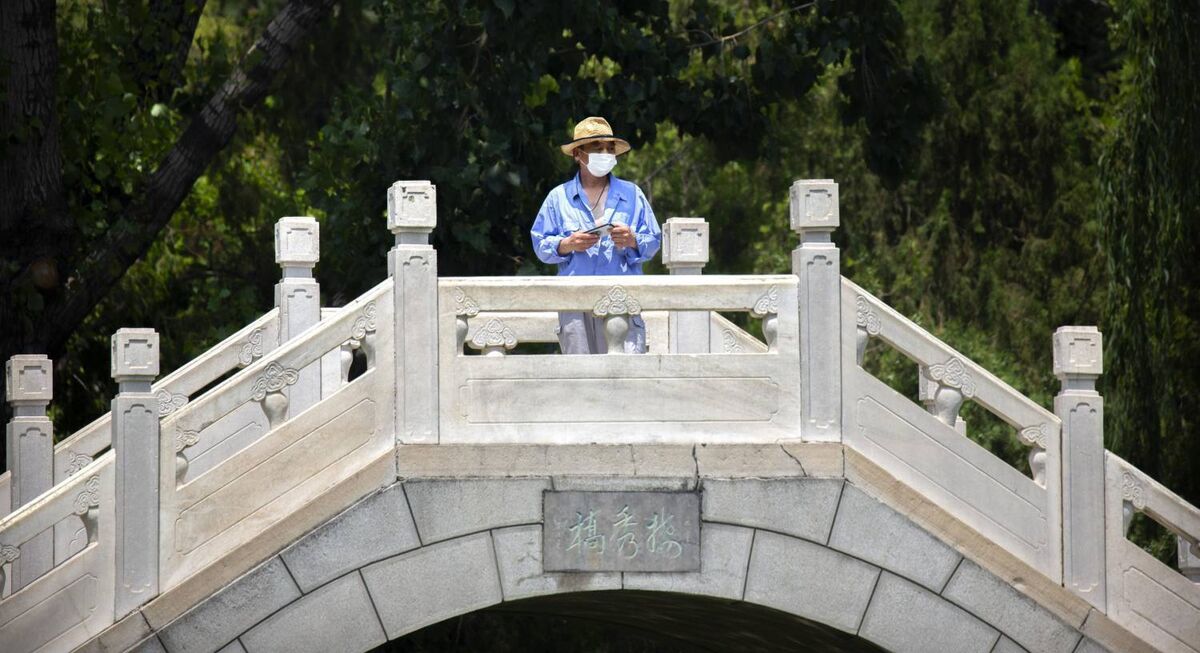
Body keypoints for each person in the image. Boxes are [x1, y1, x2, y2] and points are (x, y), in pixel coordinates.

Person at [531, 116, 662, 354]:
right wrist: (567, 244)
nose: (605, 153)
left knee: (626, 378)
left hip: (622, 301)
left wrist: (633, 240)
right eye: (596, 147)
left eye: (610, 148)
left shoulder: (633, 194)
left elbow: (654, 240)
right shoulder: (557, 198)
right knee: (581, 380)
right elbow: (540, 245)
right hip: (574, 303)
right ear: (577, 154)